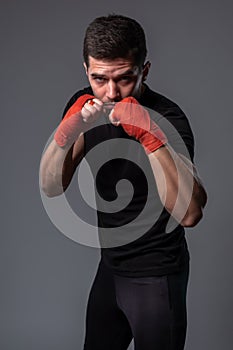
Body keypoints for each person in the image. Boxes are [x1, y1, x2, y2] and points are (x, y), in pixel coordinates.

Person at [40, 14, 207, 350]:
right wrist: (66, 132)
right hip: (110, 270)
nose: (111, 92)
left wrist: (151, 136)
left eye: (125, 79)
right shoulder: (85, 107)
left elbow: (190, 213)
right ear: (86, 70)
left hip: (156, 277)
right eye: (99, 79)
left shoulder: (167, 118)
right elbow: (51, 185)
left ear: (144, 70)